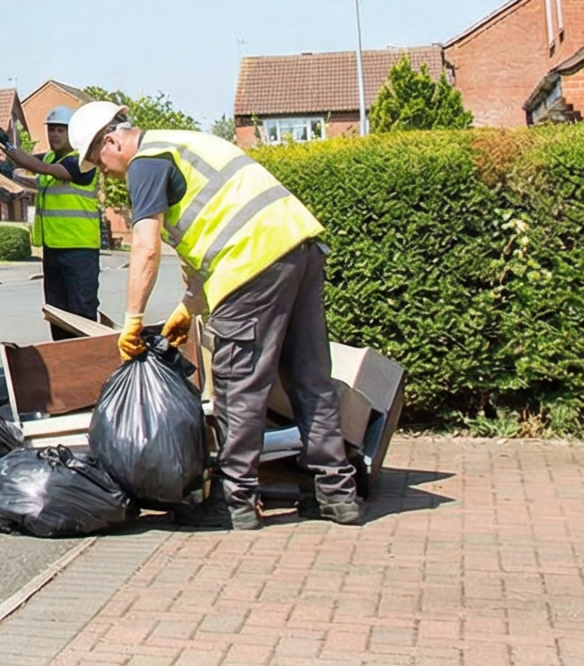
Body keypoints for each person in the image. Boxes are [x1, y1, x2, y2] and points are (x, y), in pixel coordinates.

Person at [65, 100, 363, 531]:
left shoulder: (146, 163)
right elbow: (213, 229)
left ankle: (236, 501)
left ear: (111, 140)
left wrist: (132, 318)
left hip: (252, 265)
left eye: (99, 160)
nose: (106, 173)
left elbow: (145, 247)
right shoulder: (184, 143)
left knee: (239, 384)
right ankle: (337, 495)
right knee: (309, 378)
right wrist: (188, 307)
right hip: (299, 248)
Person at [0, 104, 102, 321]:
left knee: (81, 310)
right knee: (56, 311)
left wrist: (6, 146)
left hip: (80, 249)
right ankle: (59, 352)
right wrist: (5, 168)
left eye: (61, 130)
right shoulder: (52, 157)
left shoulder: (82, 161)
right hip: (53, 249)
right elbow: (35, 178)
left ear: (73, 133)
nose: (55, 134)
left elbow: (38, 168)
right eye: (51, 129)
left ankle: (83, 353)